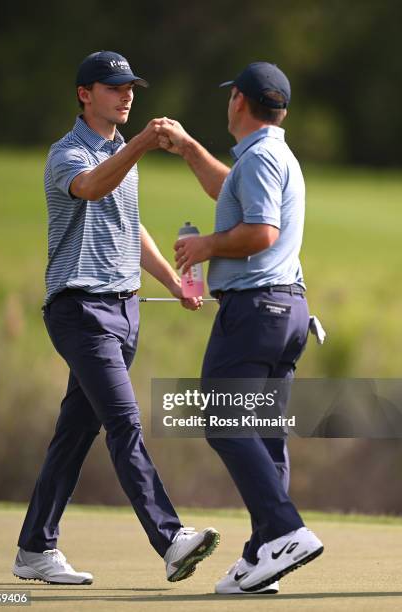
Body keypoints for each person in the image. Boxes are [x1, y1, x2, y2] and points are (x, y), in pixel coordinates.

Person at [12, 50, 219, 586]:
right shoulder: (69, 154)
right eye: (113, 87)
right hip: (80, 311)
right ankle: (170, 539)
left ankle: (35, 547)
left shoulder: (119, 151)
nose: (126, 95)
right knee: (124, 422)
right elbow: (91, 187)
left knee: (74, 434)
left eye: (130, 87)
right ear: (85, 94)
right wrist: (147, 144)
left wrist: (173, 283)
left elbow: (131, 226)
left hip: (125, 312)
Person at [158, 61, 323, 594]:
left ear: (238, 102)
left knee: (221, 418)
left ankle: (285, 529)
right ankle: (262, 557)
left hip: (255, 312)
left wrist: (206, 245)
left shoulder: (259, 159)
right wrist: (186, 148)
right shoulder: (275, 156)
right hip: (289, 313)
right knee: (266, 437)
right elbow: (232, 191)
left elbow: (261, 231)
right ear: (282, 110)